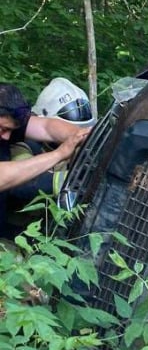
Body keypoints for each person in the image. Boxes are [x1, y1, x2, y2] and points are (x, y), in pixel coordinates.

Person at [0, 82, 90, 237]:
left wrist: (82, 137)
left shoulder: (5, 121)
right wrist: (60, 154)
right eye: (3, 129)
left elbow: (46, 126)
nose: (7, 137)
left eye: (10, 130)